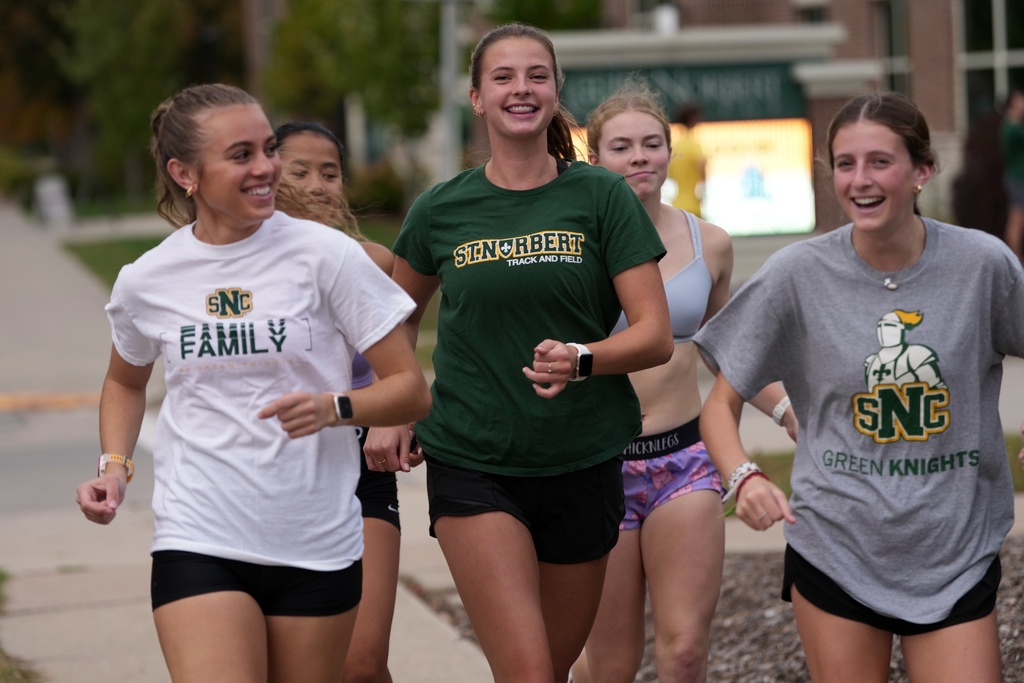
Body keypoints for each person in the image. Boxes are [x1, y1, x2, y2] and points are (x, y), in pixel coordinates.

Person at [74, 83, 431, 683]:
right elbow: (125, 381)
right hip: (199, 530)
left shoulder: (328, 257)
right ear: (184, 172)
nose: (265, 167)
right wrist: (115, 465)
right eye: (241, 155)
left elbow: (410, 388)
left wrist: (334, 407)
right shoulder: (148, 279)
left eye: (267, 149)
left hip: (315, 536)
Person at [365, 22, 674, 683]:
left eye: (537, 75)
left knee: (547, 672)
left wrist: (582, 358)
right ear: (476, 98)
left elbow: (654, 332)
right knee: (531, 671)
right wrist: (393, 406)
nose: (521, 88)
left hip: (583, 457)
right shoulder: (441, 209)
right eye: (502, 77)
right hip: (473, 459)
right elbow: (391, 323)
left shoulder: (601, 196)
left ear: (556, 90)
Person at [695, 91, 1024, 683]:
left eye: (880, 161)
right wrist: (742, 477)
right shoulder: (796, 274)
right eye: (845, 164)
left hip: (955, 546)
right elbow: (720, 404)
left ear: (922, 171)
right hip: (837, 546)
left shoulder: (982, 265)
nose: (860, 180)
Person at [568, 83, 795, 683]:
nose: (639, 156)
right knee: (610, 664)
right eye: (621, 147)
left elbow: (730, 349)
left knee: (687, 651)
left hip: (684, 461)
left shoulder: (708, 243)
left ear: (670, 153)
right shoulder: (572, 251)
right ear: (595, 158)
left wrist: (787, 410)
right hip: (598, 465)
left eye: (652, 143)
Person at [274, 119, 402, 683]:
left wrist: (386, 415)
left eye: (330, 172)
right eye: (298, 171)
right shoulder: (241, 270)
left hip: (357, 466)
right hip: (272, 473)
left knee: (361, 664)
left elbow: (396, 372)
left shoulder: (370, 261)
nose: (317, 184)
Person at [667, 102, 707, 217]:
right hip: (693, 207)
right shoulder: (694, 146)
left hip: (676, 205)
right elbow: (702, 167)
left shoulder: (675, 147)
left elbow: (669, 174)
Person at [1000, 89, 1024, 261]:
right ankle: (1015, 258)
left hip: (1017, 178)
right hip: (1017, 179)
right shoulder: (1011, 128)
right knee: (1017, 219)